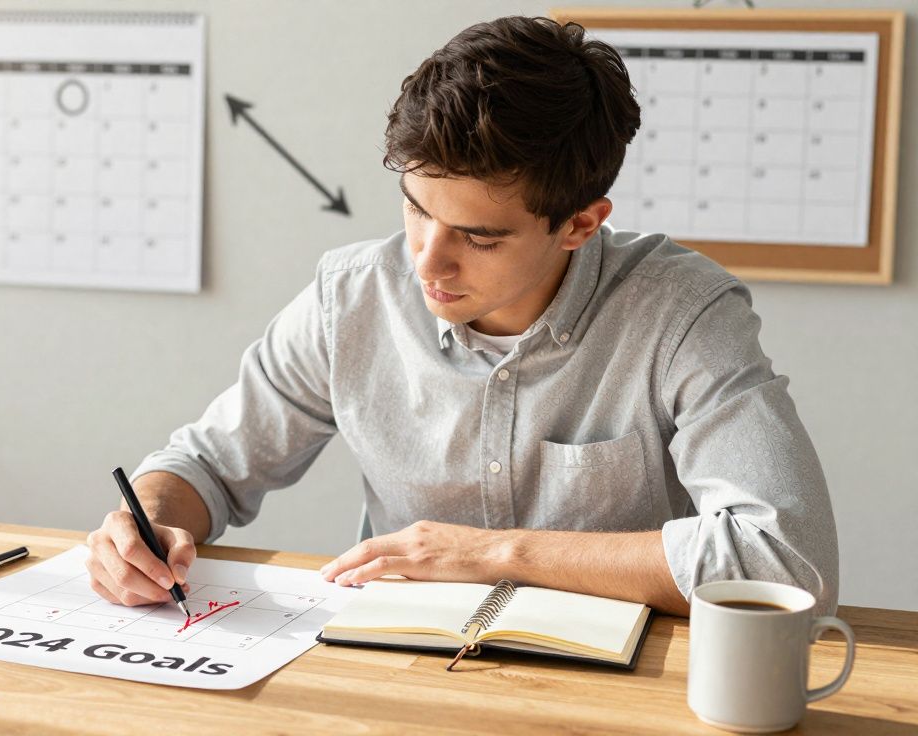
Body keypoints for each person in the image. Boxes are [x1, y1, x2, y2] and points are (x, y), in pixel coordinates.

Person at [85, 15, 838, 617]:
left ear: (580, 222)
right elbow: (207, 467)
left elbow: (784, 559)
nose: (426, 262)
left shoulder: (682, 313)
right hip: (400, 679)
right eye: (416, 210)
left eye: (479, 237)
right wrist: (145, 520)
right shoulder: (352, 296)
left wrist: (494, 554)